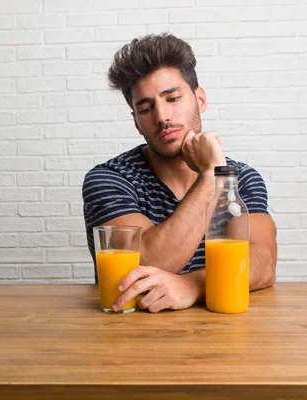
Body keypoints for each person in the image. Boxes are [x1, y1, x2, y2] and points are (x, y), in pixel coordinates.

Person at [82, 33, 277, 313]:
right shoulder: (110, 179)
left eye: (173, 98)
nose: (162, 117)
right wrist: (211, 174)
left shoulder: (242, 179)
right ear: (137, 122)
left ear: (200, 99)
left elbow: (263, 263)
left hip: (222, 334)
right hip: (127, 337)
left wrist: (193, 285)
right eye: (146, 108)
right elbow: (144, 264)